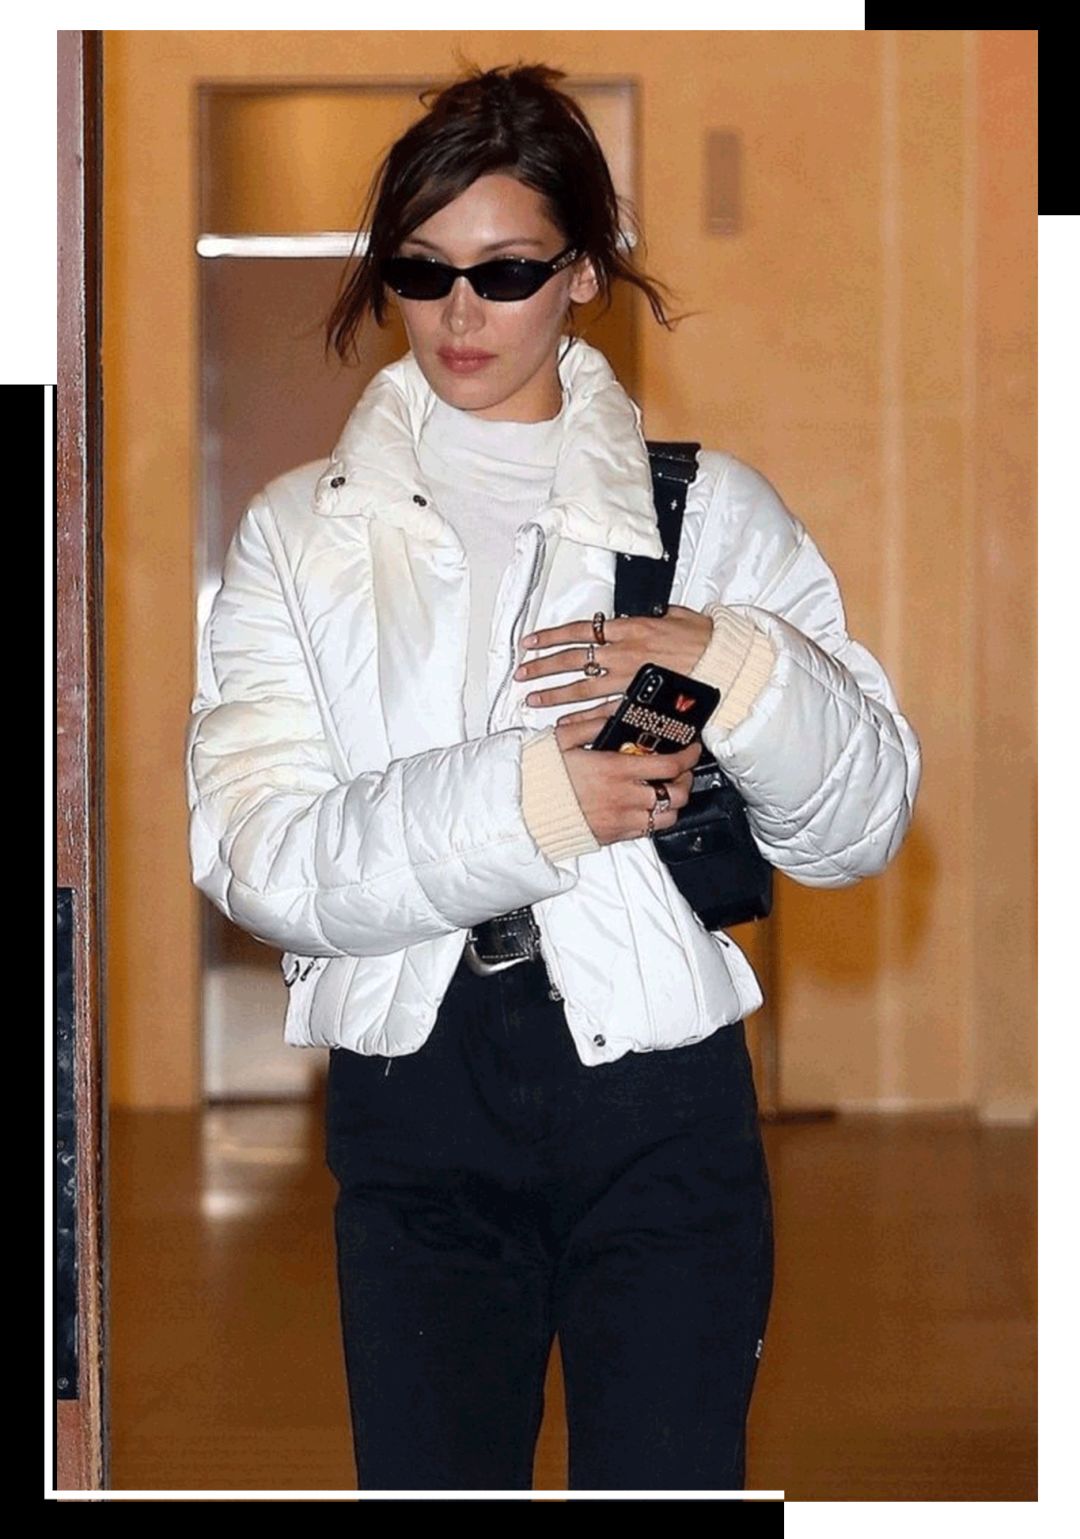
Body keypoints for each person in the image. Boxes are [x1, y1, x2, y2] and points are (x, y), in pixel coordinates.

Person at [185, 61, 921, 1493]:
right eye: (421, 270)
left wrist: (743, 666)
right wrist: (537, 803)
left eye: (507, 271)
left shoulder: (707, 515)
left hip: (658, 1096)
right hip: (412, 1097)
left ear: (582, 272)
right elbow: (257, 856)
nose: (460, 313)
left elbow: (862, 824)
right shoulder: (295, 536)